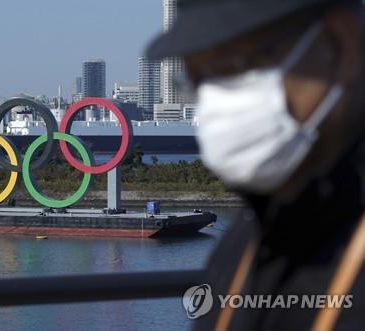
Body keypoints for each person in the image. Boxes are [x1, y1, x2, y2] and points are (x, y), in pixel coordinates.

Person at [147, 0, 364, 330]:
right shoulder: (245, 243)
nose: (218, 101)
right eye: (198, 77)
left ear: (342, 44)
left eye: (237, 65)